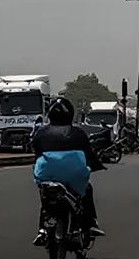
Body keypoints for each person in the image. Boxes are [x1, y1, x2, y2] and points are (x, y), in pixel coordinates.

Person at [32, 97, 105, 246]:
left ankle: (42, 230)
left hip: (47, 175)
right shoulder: (78, 133)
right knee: (87, 190)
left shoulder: (40, 133)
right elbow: (89, 155)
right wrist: (97, 166)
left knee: (45, 196)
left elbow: (37, 154)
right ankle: (90, 223)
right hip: (74, 176)